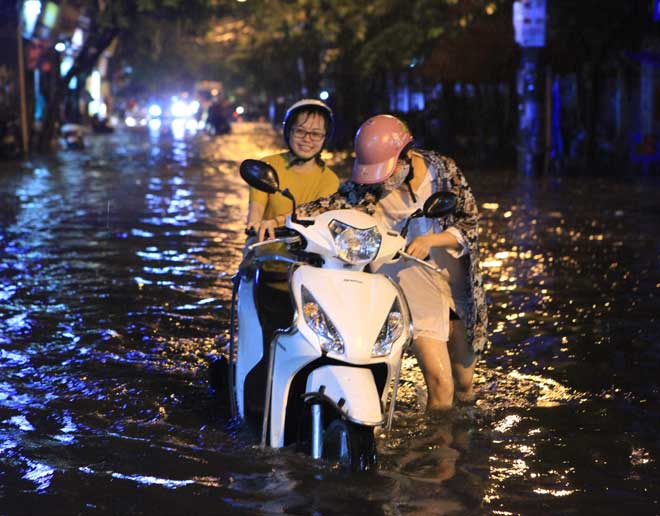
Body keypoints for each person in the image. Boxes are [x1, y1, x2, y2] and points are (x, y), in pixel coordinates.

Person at [260, 114, 488, 412]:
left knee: (465, 384)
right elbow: (331, 205)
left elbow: (470, 225)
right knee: (441, 383)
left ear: (407, 154)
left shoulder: (445, 170)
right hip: (410, 278)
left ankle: (465, 443)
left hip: (456, 282)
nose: (384, 179)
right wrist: (282, 220)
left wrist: (432, 240)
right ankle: (441, 454)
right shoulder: (370, 185)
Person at [246, 99, 340, 241]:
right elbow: (256, 209)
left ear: (324, 138)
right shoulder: (268, 165)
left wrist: (276, 222)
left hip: (306, 256)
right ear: (289, 132)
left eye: (315, 134)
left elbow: (316, 214)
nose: (307, 139)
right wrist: (254, 224)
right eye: (300, 131)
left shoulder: (330, 180)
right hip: (264, 250)